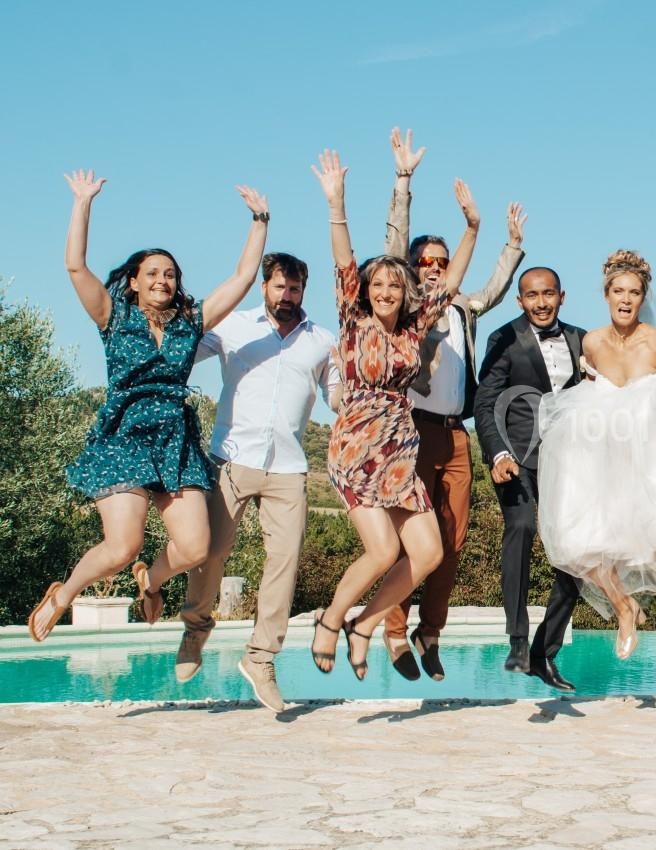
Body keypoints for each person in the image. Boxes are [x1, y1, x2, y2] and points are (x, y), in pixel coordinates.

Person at [28, 170, 269, 642]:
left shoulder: (189, 323)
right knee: (122, 546)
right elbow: (76, 267)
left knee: (196, 548)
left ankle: (151, 580)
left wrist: (260, 221)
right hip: (125, 437)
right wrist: (82, 202)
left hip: (174, 440)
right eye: (153, 273)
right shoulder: (113, 316)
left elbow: (242, 278)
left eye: (170, 274)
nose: (163, 279)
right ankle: (64, 593)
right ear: (135, 282)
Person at [377, 127, 528, 682]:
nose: (436, 266)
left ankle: (430, 631)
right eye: (427, 259)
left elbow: (492, 289)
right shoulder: (403, 307)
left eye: (443, 260)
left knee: (452, 538)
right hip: (409, 431)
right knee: (408, 534)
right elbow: (393, 249)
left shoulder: (462, 308)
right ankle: (395, 630)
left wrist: (509, 244)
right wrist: (403, 182)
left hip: (454, 434)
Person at [167, 252, 339, 713]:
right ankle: (196, 628)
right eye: (280, 287)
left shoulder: (322, 341)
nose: (287, 295)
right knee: (211, 550)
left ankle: (262, 657)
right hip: (231, 458)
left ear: (304, 291)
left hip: (289, 466)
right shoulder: (232, 325)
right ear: (264, 286)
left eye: (295, 288)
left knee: (284, 560)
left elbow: (337, 396)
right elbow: (180, 354)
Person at [306, 149, 455, 680]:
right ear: (366, 292)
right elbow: (344, 260)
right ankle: (330, 619)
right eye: (378, 285)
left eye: (395, 284)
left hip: (400, 454)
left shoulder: (413, 332)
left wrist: (474, 229)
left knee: (428, 553)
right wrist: (336, 204)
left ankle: (364, 624)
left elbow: (451, 281)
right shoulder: (353, 321)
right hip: (357, 447)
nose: (387, 291)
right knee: (383, 549)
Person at [537, 250, 656, 663]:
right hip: (602, 448)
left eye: (634, 292)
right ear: (606, 295)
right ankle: (624, 607)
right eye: (618, 291)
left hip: (652, 447)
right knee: (579, 537)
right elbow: (591, 388)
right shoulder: (592, 342)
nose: (625, 299)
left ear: (643, 297)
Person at [474, 266, 586, 690]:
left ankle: (544, 651)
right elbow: (485, 403)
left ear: (562, 296)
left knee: (577, 555)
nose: (541, 302)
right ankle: (518, 640)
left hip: (568, 460)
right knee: (520, 527)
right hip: (515, 457)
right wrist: (498, 452)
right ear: (520, 300)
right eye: (532, 295)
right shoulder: (504, 339)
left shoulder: (580, 339)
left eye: (548, 294)